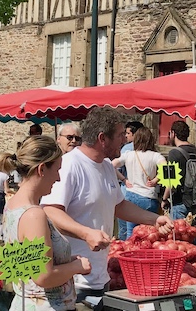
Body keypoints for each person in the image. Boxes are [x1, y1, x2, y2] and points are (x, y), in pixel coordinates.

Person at [42, 107, 174, 298]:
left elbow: (119, 205)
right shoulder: (69, 165)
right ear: (102, 138)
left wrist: (154, 219)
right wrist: (86, 234)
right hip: (73, 281)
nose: (124, 139)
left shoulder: (106, 166)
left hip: (99, 277)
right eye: (120, 134)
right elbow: (51, 211)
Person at [1, 136, 91, 311]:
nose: (59, 177)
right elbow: (43, 276)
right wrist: (77, 266)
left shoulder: (12, 206)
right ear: (42, 169)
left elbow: (23, 267)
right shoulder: (34, 215)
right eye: (56, 170)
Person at [111, 128, 166, 239]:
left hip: (131, 195)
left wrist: (123, 179)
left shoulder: (128, 155)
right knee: (150, 233)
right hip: (149, 197)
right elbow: (166, 169)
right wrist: (156, 180)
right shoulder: (156, 156)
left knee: (131, 232)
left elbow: (111, 165)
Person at [164, 120, 196, 220]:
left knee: (178, 234)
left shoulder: (174, 153)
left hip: (180, 203)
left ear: (173, 133)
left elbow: (171, 181)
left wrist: (164, 199)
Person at [115, 121, 144, 239]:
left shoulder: (126, 149)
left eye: (127, 133)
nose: (126, 136)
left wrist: (123, 179)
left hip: (127, 192)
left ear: (135, 134)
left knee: (126, 231)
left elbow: (115, 168)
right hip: (145, 194)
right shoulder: (150, 149)